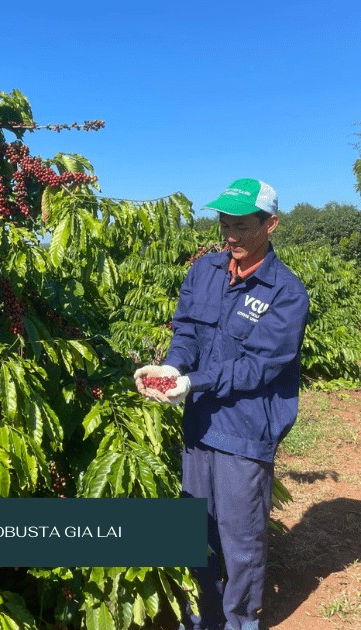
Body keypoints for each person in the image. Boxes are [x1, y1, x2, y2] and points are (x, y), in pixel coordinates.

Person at [134, 178, 309, 630]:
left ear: (270, 224)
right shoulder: (204, 271)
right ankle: (203, 618)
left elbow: (258, 367)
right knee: (198, 532)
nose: (229, 234)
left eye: (242, 225)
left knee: (241, 538)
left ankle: (239, 622)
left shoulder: (287, 293)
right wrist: (172, 369)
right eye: (224, 222)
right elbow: (187, 332)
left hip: (245, 430)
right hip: (200, 422)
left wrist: (192, 382)